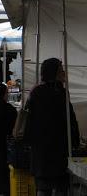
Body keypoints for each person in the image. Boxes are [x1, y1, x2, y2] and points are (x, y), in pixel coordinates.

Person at [26, 58, 80, 196]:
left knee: (43, 187)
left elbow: (28, 119)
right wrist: (75, 141)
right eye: (61, 70)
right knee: (60, 185)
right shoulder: (61, 93)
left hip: (41, 148)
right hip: (58, 147)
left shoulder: (36, 92)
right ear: (55, 73)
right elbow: (70, 120)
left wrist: (28, 140)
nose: (64, 73)